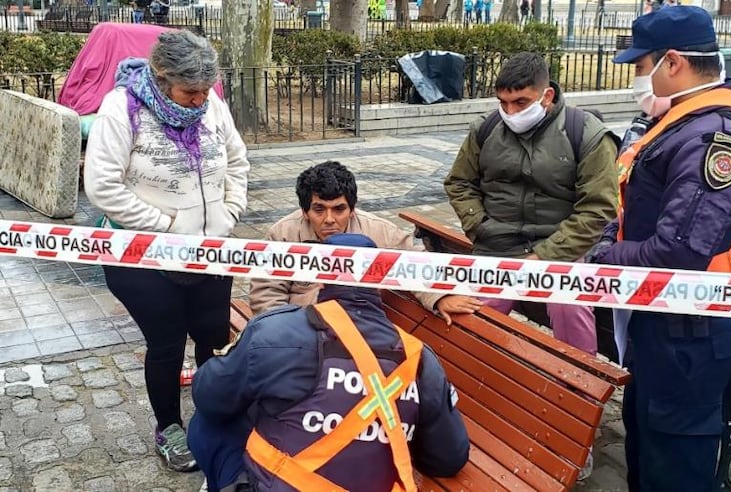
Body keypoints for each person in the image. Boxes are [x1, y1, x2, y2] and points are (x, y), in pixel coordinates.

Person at [588, 6, 731, 490]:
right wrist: (611, 238)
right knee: (646, 441)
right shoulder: (682, 122)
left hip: (691, 327)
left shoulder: (715, 135)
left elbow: (679, 249)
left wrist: (603, 260)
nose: (636, 80)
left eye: (640, 68)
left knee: (675, 457)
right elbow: (638, 212)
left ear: (672, 62)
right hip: (661, 317)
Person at [83, 30, 249, 472]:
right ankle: (169, 428)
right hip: (143, 257)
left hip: (210, 249)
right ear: (161, 78)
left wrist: (229, 212)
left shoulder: (212, 106)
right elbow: (102, 186)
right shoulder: (122, 109)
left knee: (213, 334)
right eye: (189, 92)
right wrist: (167, 227)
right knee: (167, 342)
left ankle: (212, 412)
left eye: (204, 91)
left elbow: (237, 160)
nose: (199, 101)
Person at [188, 233, 471, 492]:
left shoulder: (276, 332)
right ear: (380, 284)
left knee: (207, 423)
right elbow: (449, 458)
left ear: (320, 278)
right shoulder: (419, 358)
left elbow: (209, 396)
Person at [444, 52, 619, 357]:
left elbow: (598, 208)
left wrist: (547, 254)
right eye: (503, 103)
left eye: (521, 103)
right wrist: (479, 226)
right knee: (471, 315)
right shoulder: (486, 129)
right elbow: (459, 182)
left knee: (570, 308)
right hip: (497, 245)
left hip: (560, 248)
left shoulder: (586, 132)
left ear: (547, 95)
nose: (510, 112)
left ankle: (579, 385)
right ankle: (474, 387)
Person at [250, 161, 484, 324]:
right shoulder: (282, 233)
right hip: (300, 329)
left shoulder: (378, 231)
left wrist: (439, 297)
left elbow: (417, 264)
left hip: (359, 328)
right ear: (304, 211)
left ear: (352, 208)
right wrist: (285, 334)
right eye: (319, 209)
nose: (329, 219)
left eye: (339, 209)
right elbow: (267, 295)